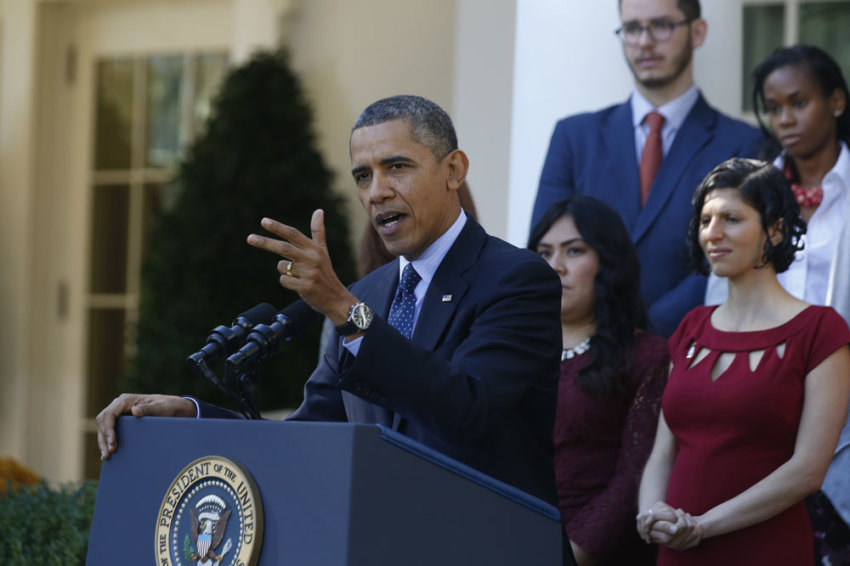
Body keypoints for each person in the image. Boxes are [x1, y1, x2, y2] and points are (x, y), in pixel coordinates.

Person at [95, 95, 565, 508]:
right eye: (363, 175)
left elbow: (467, 409)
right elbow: (309, 436)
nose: (377, 192)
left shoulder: (516, 279)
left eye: (397, 167)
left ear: (454, 170)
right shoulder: (368, 294)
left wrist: (342, 309)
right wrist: (192, 416)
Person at [637, 158, 850, 565]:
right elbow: (663, 451)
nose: (712, 233)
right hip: (679, 548)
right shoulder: (691, 328)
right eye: (705, 220)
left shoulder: (821, 331)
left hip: (765, 549)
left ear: (775, 229)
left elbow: (808, 470)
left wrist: (703, 526)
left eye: (731, 219)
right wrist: (651, 513)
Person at [531, 0, 763, 337]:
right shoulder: (574, 136)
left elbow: (734, 254)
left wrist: (648, 332)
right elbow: (542, 249)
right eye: (632, 28)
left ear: (697, 32)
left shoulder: (743, 143)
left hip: (690, 344)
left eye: (662, 25)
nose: (644, 41)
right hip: (585, 345)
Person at [704, 44, 850, 563]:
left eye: (799, 102)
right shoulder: (748, 193)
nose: (785, 118)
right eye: (773, 107)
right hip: (761, 408)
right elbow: (721, 292)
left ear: (836, 101)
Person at [528, 196, 669, 566]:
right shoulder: (513, 350)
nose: (556, 266)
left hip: (596, 552)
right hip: (509, 536)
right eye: (544, 253)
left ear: (608, 263)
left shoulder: (647, 356)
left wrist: (568, 556)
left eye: (574, 251)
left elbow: (633, 478)